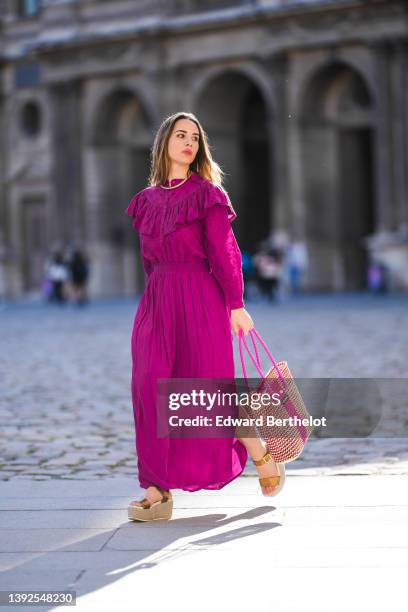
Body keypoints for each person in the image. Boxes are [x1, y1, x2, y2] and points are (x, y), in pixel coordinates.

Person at [125, 111, 285, 521]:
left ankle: (254, 445)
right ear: (165, 143)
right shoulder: (145, 202)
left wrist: (236, 303)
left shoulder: (207, 194)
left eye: (195, 138)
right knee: (150, 388)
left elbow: (224, 251)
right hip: (158, 300)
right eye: (181, 135)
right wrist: (157, 299)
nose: (189, 143)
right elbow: (147, 260)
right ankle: (155, 487)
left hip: (200, 297)